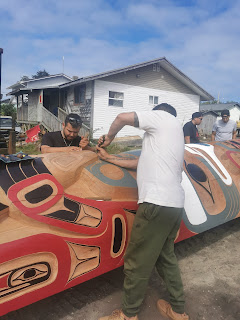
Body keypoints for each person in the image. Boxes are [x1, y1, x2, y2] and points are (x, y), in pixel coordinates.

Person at [97, 103, 189, 320]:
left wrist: (109, 138)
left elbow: (121, 117)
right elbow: (140, 162)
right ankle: (178, 310)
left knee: (137, 260)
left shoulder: (162, 118)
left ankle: (128, 315)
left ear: (158, 112)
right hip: (174, 205)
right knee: (165, 257)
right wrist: (108, 158)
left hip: (156, 204)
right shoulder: (174, 135)